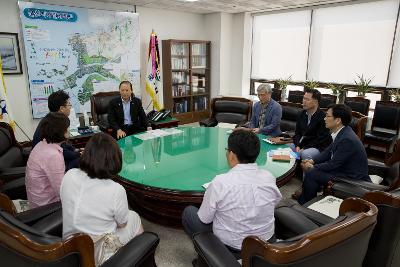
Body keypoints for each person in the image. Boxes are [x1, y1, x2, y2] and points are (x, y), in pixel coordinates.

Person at [182, 130, 282, 252]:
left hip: (232, 247)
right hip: (267, 241)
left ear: (231, 155)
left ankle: (209, 253)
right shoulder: (269, 177)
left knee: (189, 212)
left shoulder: (220, 182)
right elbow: (275, 202)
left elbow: (205, 219)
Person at [61, 133, 143, 265]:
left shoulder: (68, 175)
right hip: (97, 253)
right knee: (134, 217)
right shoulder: (116, 189)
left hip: (70, 248)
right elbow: (122, 224)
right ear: (115, 159)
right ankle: (135, 257)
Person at [298, 104, 370, 204]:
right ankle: (306, 198)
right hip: (342, 170)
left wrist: (311, 167)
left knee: (312, 173)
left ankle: (305, 203)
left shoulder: (347, 139)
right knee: (312, 171)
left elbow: (333, 164)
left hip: (351, 177)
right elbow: (328, 152)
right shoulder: (342, 132)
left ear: (338, 120)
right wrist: (312, 161)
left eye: (327, 116)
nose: (324, 119)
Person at [25, 112, 70, 208]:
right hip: (46, 207)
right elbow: (61, 192)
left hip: (37, 201)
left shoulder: (42, 144)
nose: (69, 130)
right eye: (67, 128)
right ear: (60, 131)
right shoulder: (53, 155)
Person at [32, 90, 80, 171]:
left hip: (53, 158)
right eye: (69, 104)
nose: (70, 107)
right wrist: (79, 154)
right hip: (49, 165)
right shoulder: (54, 125)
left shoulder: (50, 119)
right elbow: (61, 151)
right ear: (61, 108)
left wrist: (75, 150)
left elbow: (63, 145)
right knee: (85, 160)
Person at [292, 88, 331, 160]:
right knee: (287, 147)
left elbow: (320, 139)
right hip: (302, 144)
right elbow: (297, 133)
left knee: (305, 154)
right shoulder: (301, 114)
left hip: (317, 146)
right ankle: (292, 171)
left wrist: (304, 148)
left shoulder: (323, 117)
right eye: (303, 98)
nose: (304, 101)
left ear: (316, 102)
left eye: (307, 99)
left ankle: (307, 171)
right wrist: (297, 145)